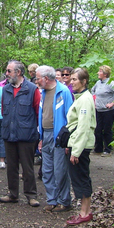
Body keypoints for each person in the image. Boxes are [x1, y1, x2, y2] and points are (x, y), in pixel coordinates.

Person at [0, 60, 41, 207]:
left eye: (9, 71)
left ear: (19, 72)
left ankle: (31, 195)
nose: (7, 74)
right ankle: (13, 194)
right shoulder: (6, 89)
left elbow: (37, 112)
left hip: (26, 134)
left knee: (27, 167)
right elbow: (4, 109)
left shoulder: (32, 89)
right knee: (11, 166)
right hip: (9, 133)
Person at [36, 65, 74, 213]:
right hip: (45, 135)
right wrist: (40, 138)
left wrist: (67, 141)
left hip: (59, 136)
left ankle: (64, 201)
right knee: (47, 170)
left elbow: (70, 119)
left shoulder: (63, 92)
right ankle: (52, 200)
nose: (37, 81)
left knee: (60, 170)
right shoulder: (43, 93)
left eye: (38, 78)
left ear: (46, 78)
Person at [65, 68, 96, 226]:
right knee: (79, 178)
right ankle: (84, 211)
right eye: (72, 79)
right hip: (76, 143)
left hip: (81, 146)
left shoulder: (85, 99)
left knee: (82, 178)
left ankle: (85, 213)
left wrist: (75, 151)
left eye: (75, 79)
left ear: (84, 82)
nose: (72, 82)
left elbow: (83, 127)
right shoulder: (80, 97)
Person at [91, 65, 114, 155]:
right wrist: (94, 101)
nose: (98, 73)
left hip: (108, 111)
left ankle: (108, 149)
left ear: (105, 74)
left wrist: (112, 103)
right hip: (98, 110)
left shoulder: (111, 83)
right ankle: (98, 148)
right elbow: (93, 91)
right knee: (98, 129)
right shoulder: (98, 83)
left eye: (100, 71)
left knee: (107, 130)